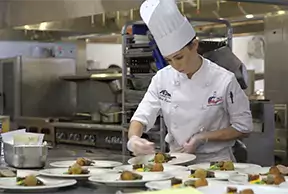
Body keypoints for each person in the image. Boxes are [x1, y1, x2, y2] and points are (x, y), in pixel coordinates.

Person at [127, 0, 253, 163]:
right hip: (176, 162)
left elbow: (244, 127)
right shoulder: (162, 78)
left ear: (194, 45)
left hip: (216, 163)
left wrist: (203, 137)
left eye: (179, 57)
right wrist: (134, 138)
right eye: (169, 60)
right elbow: (142, 116)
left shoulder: (224, 79)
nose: (176, 65)